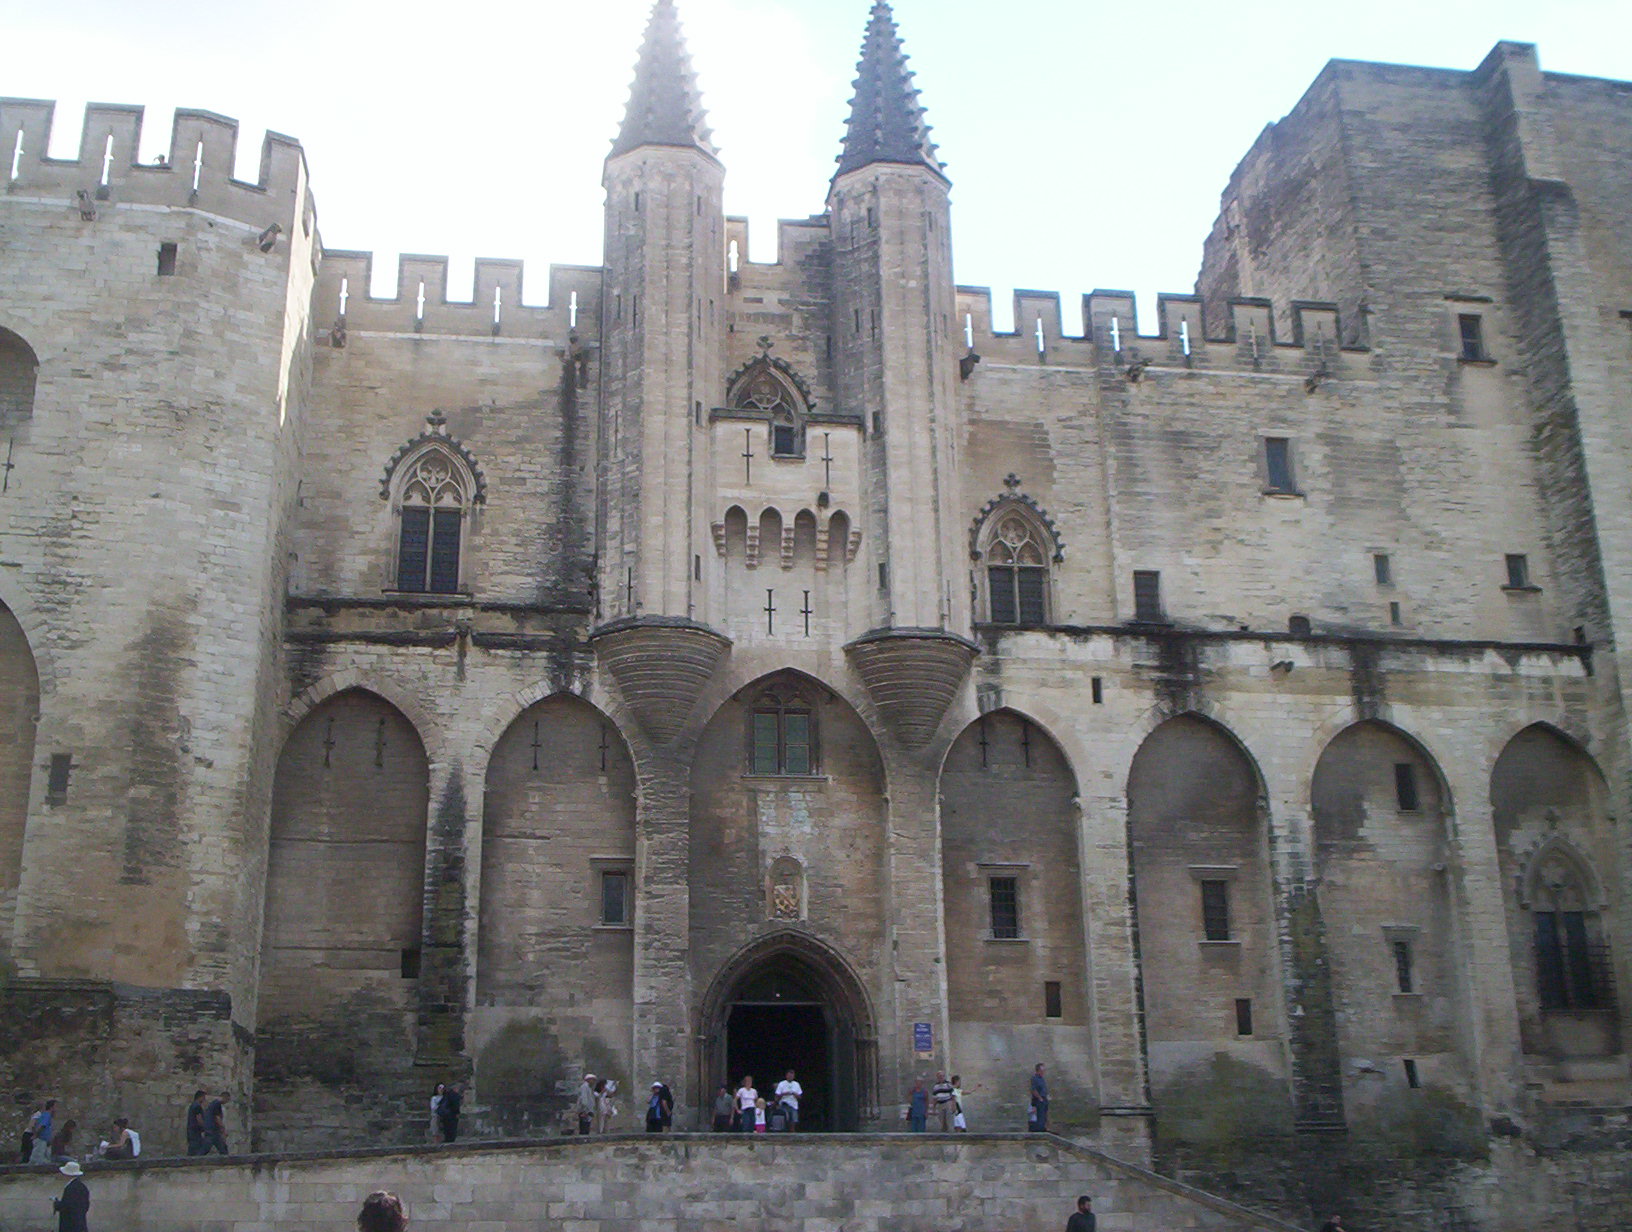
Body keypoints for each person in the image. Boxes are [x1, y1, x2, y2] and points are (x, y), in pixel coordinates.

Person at [53, 1159, 89, 1232]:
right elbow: (86, 1205)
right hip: (80, 1223)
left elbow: (66, 1205)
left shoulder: (70, 1188)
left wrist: (57, 1204)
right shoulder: (82, 1187)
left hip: (70, 1224)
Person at [31, 1099, 56, 1164]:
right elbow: (42, 1126)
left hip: (44, 1140)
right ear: (51, 1107)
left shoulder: (47, 1116)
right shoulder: (46, 1115)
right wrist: (36, 1135)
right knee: (39, 1159)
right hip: (41, 1139)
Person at [1029, 1063, 1049, 1133]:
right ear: (1038, 1070)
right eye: (1042, 1070)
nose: (1043, 1072)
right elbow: (1033, 1090)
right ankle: (1039, 1129)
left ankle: (1043, 1128)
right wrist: (1040, 1098)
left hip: (1044, 1099)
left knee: (1044, 1115)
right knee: (1040, 1115)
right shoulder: (1035, 1078)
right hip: (1039, 1100)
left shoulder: (1042, 1079)